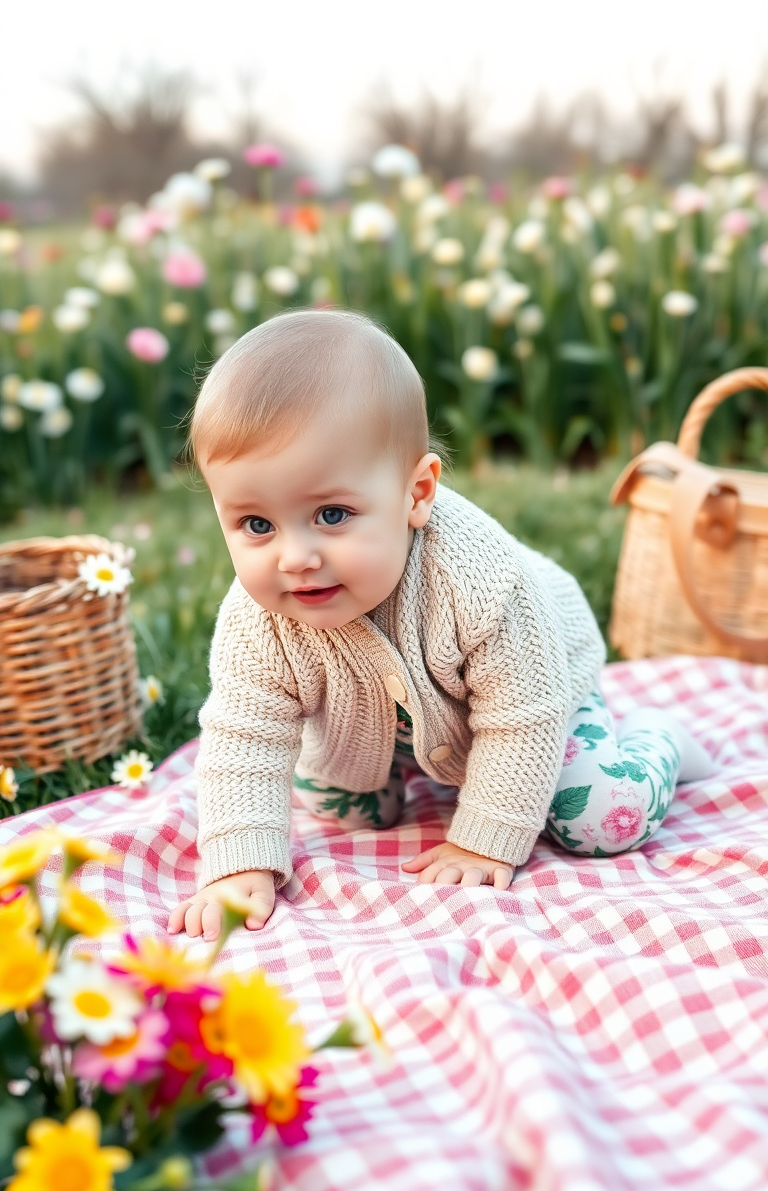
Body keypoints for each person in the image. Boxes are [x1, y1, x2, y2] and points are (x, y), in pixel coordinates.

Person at [169, 310, 712, 941]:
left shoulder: (481, 579)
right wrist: (237, 865)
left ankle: (657, 741)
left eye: (333, 513)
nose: (294, 557)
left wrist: (485, 841)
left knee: (597, 819)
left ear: (417, 492)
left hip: (539, 691)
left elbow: (523, 716)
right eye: (256, 525)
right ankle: (406, 770)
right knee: (345, 809)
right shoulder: (258, 617)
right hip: (380, 723)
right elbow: (245, 735)